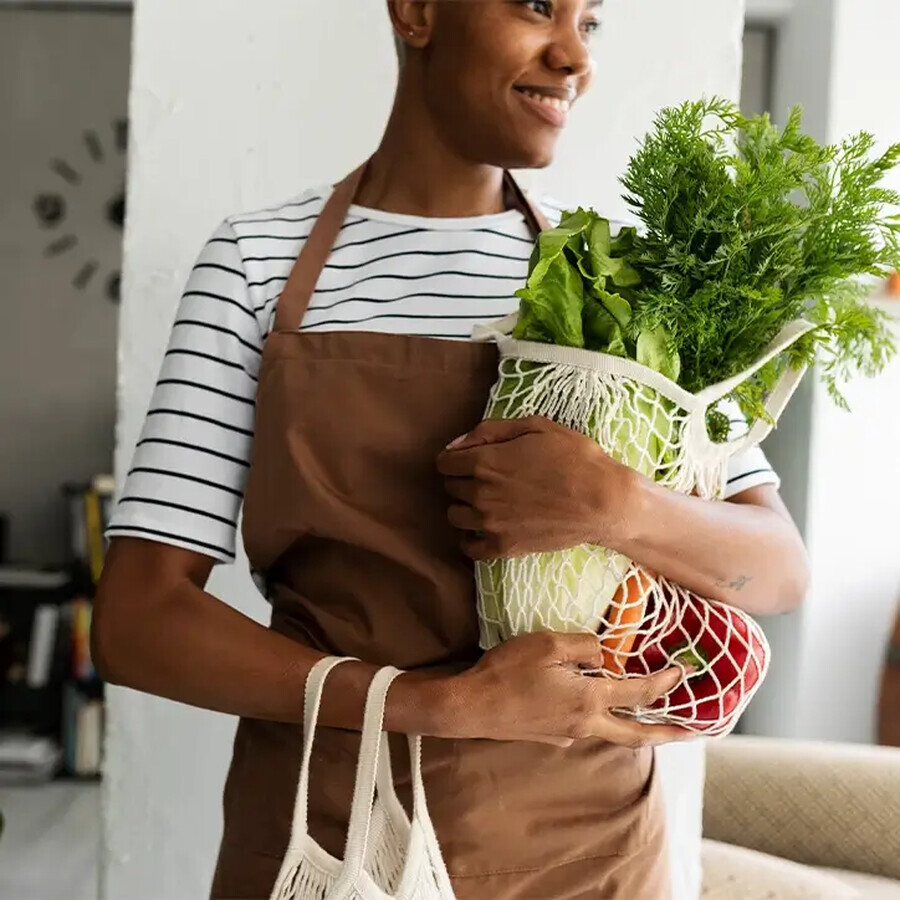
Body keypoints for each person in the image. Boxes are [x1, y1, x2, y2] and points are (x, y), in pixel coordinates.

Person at [93, 2, 810, 898]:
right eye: (538, 6)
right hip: (334, 836)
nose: (572, 55)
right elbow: (138, 622)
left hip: (593, 849)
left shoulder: (615, 286)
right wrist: (441, 705)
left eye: (592, 22)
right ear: (419, 12)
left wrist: (617, 506)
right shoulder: (257, 268)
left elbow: (777, 570)